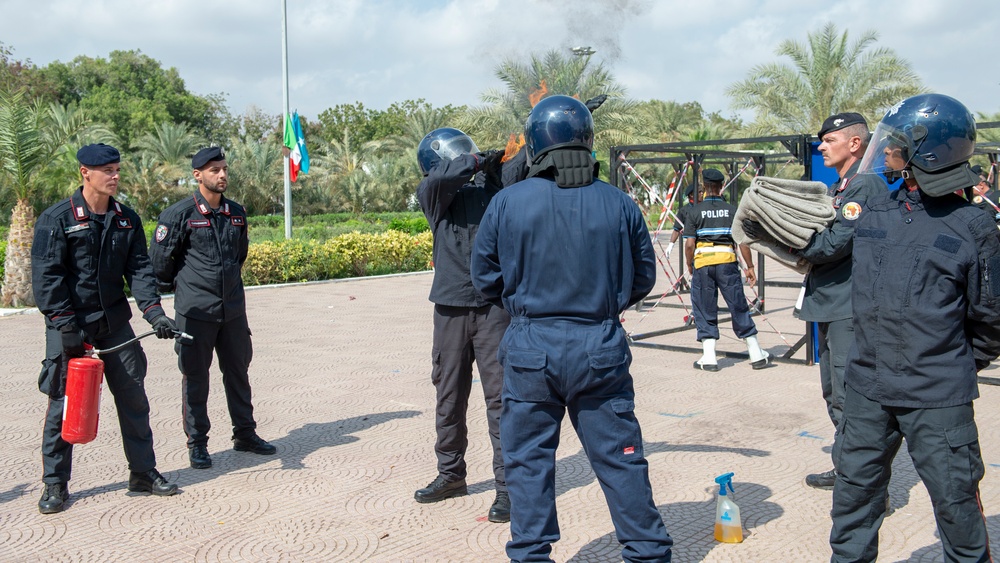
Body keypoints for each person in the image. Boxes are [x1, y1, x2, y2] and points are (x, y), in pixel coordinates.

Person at [472, 95, 673, 563]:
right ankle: (647, 552)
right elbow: (643, 277)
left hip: (530, 349)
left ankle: (531, 552)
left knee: (527, 462)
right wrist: (602, 304)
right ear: (587, 140)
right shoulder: (619, 203)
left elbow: (484, 277)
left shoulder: (507, 202)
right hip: (598, 346)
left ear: (537, 143)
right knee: (620, 458)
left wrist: (524, 305)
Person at [829, 93, 1000, 563]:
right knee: (852, 505)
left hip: (937, 396)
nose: (885, 151)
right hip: (867, 388)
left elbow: (991, 320)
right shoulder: (876, 212)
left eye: (896, 144)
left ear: (929, 152)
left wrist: (945, 360)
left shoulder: (975, 227)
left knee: (958, 508)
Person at [31, 143, 179, 514]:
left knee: (133, 397)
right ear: (85, 173)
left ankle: (143, 473)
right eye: (107, 171)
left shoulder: (126, 219)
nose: (114, 176)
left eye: (117, 169)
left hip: (114, 323)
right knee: (63, 405)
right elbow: (46, 278)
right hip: (71, 325)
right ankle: (54, 484)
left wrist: (154, 313)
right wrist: (64, 325)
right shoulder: (58, 218)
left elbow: (140, 270)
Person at [746, 113, 886, 489]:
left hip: (848, 306)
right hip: (831, 302)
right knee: (834, 393)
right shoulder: (843, 187)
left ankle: (865, 487)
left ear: (854, 143)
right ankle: (849, 470)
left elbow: (834, 243)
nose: (822, 146)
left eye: (829, 139)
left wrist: (783, 239)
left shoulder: (863, 187)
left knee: (848, 395)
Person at [149, 147, 275, 470]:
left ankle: (245, 434)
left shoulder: (236, 213)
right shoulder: (179, 215)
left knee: (238, 373)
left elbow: (239, 256)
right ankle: (198, 443)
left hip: (232, 310)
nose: (222, 175)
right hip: (196, 313)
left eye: (224, 168)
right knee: (195, 378)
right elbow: (160, 266)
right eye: (214, 170)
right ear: (197, 175)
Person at [413, 127, 511, 523]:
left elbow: (523, 159)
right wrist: (473, 161)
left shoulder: (494, 188)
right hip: (450, 310)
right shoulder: (434, 195)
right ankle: (451, 475)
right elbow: (442, 178)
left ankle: (507, 489)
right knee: (448, 396)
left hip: (493, 308)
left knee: (502, 401)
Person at [684, 168, 769, 371]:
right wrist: (749, 267)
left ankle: (709, 357)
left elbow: (689, 244)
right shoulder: (732, 210)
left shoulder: (694, 211)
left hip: (703, 264)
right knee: (738, 304)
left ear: (704, 187)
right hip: (727, 264)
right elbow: (742, 242)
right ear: (722, 187)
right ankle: (756, 353)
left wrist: (689, 263)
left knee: (704, 308)